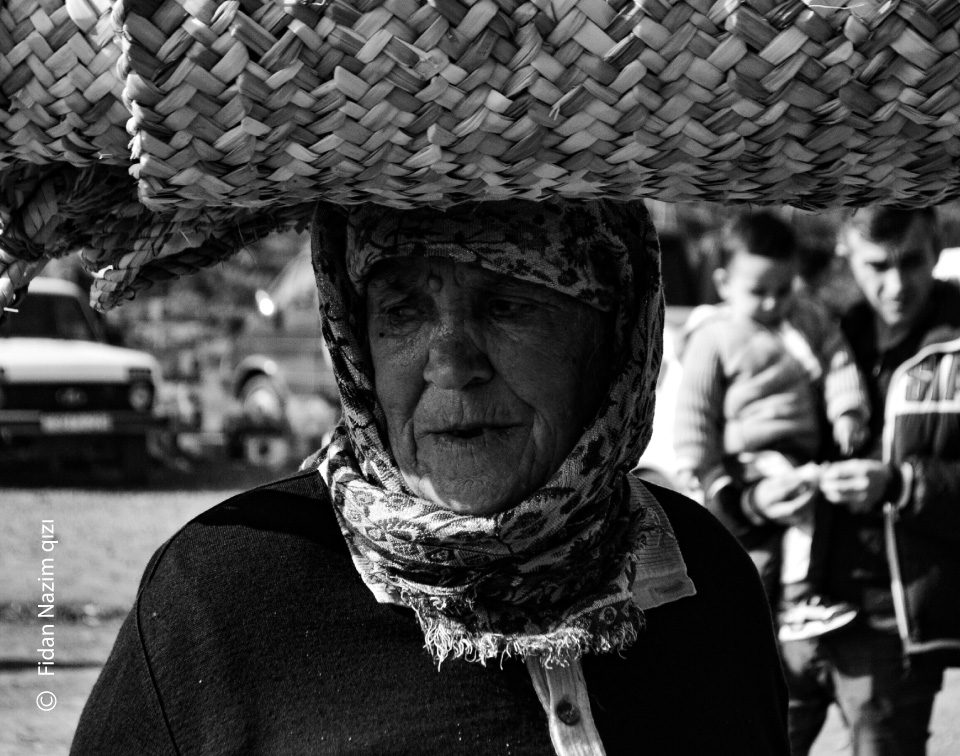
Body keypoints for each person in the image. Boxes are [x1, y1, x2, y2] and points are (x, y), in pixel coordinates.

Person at [70, 199, 787, 755]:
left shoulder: (702, 575)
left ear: (615, 338)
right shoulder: (223, 594)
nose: (449, 364)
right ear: (355, 340)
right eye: (403, 311)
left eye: (508, 305)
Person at [767, 206, 960, 756]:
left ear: (939, 242)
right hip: (792, 607)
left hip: (892, 621)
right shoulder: (819, 330)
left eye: (912, 262)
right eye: (878, 266)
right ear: (847, 251)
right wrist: (760, 491)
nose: (896, 284)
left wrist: (898, 483)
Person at [673, 210, 869, 641]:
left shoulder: (808, 318)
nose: (772, 302)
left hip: (799, 450)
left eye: (784, 289)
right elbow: (696, 410)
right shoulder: (715, 335)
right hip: (750, 456)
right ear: (724, 284)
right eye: (758, 291)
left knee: (784, 534)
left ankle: (776, 607)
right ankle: (797, 599)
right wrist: (696, 464)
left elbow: (839, 362)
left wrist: (848, 410)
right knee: (803, 509)